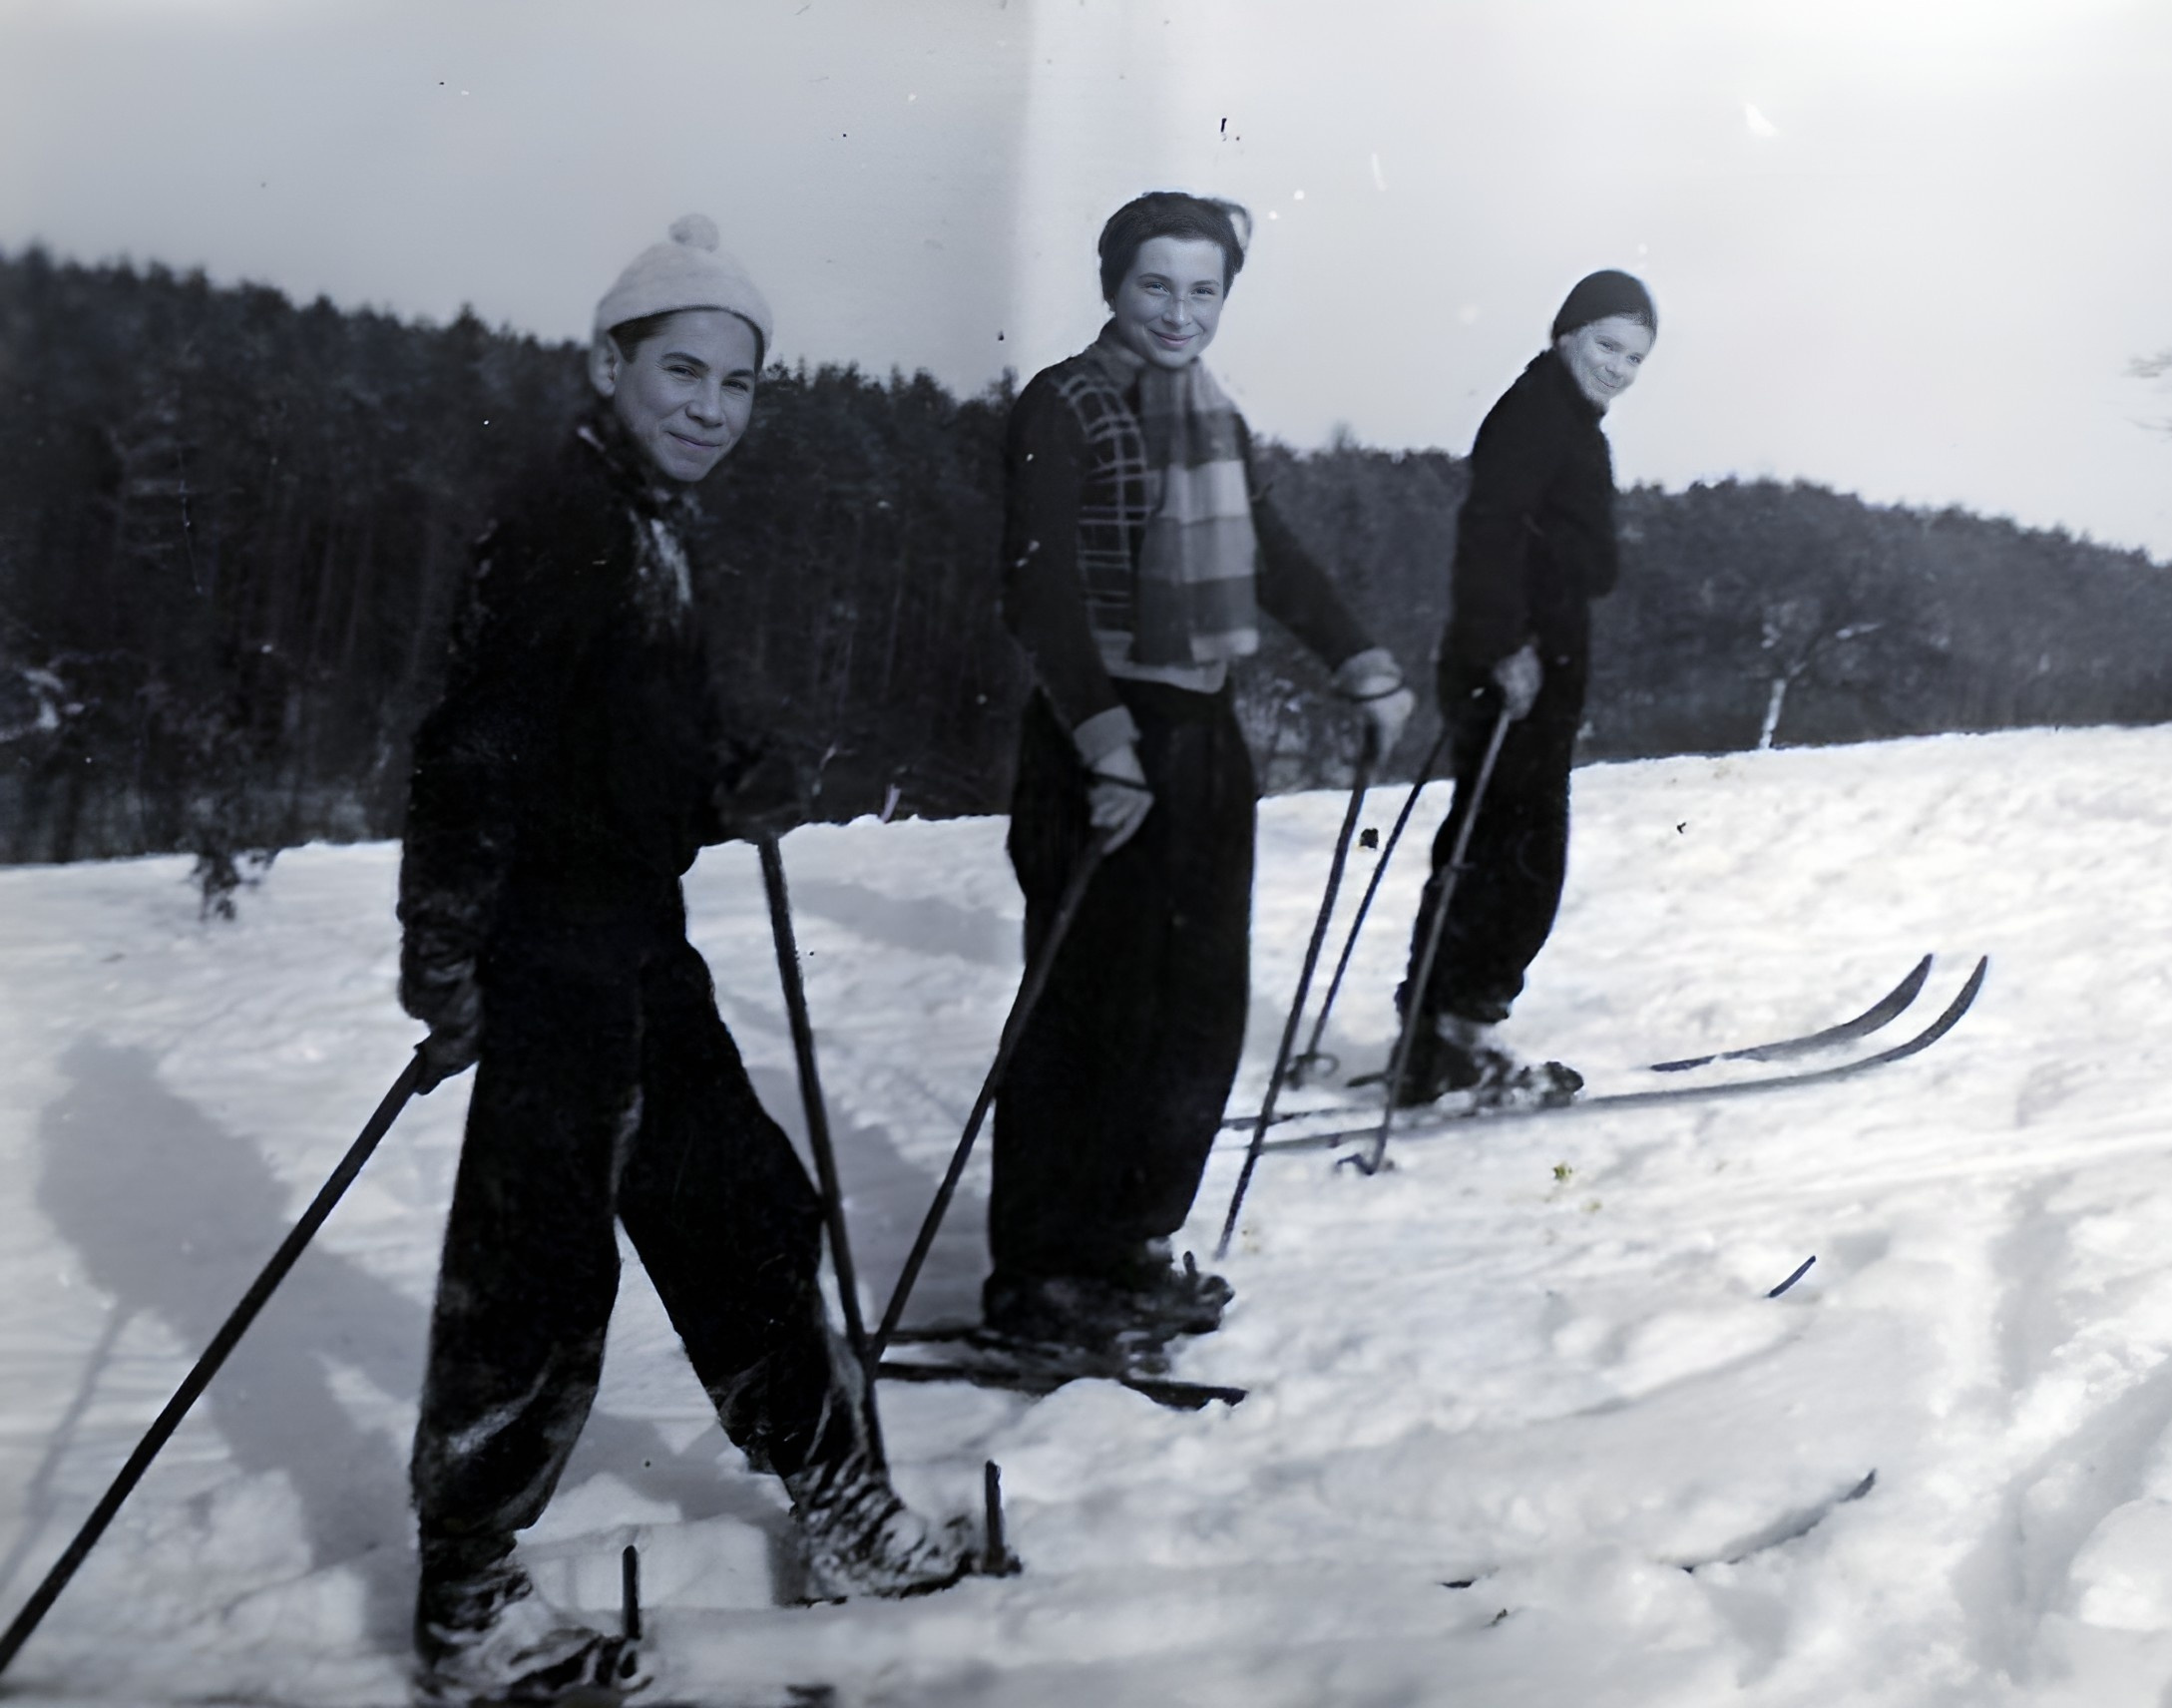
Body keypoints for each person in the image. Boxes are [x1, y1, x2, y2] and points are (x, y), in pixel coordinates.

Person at [396, 216, 971, 1704]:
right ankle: (467, 1606)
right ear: (609, 362)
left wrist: (730, 774)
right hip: (549, 951)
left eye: (739, 381)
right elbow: (474, 755)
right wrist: (448, 960)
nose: (712, 405)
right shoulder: (557, 521)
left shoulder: (648, 517)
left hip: (636, 939)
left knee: (742, 1211)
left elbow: (631, 730)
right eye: (682, 370)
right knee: (532, 1277)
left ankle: (836, 1501)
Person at [992, 191, 1415, 1364]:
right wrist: (1104, 744)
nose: (1179, 312)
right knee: (1085, 1015)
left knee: (1191, 1012)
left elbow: (1270, 557)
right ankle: (1039, 1273)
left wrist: (1361, 664)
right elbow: (1040, 594)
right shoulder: (1061, 404)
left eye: (1203, 290)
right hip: (1102, 743)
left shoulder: (1212, 414)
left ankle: (1126, 1241)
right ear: (1111, 285)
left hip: (1202, 736)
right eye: (1154, 285)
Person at [1393, 270, 1658, 1105]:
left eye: (1635, 357)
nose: (1619, 367)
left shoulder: (1566, 417)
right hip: (1515, 664)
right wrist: (1505, 645)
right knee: (1510, 855)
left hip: (1538, 661)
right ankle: (1449, 1037)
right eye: (1607, 346)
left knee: (1507, 850)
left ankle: (1445, 1034)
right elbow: (1489, 530)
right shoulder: (1539, 414)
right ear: (1564, 335)